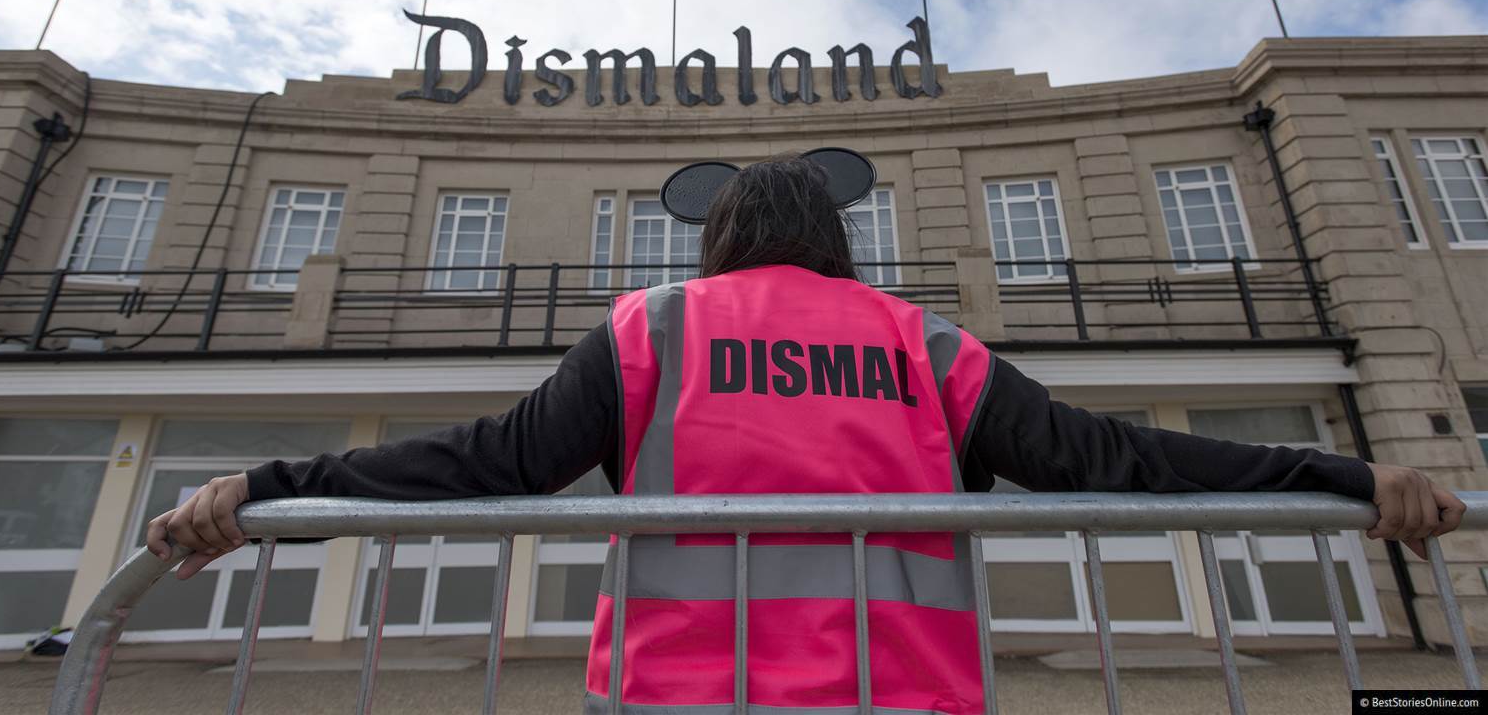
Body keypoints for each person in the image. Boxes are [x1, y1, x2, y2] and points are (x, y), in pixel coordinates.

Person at [148, 152, 1465, 714]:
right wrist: (1344, 476)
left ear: (717, 242)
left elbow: (478, 464)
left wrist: (271, 488)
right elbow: (1115, 460)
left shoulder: (649, 329)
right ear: (838, 244)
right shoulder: (924, 341)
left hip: (681, 702)